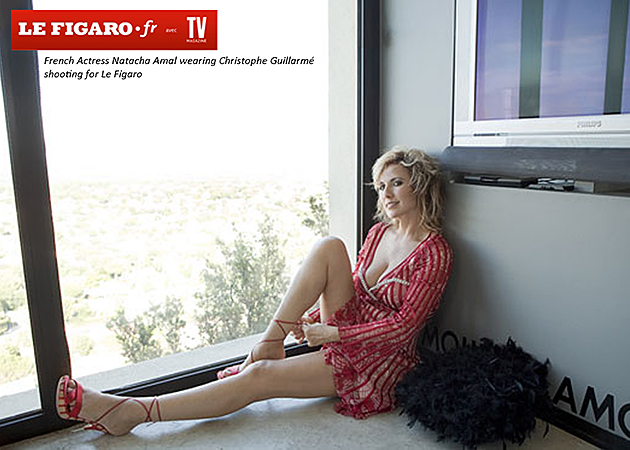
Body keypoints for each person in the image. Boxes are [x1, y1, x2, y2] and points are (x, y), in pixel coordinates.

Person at [56, 146, 453, 436]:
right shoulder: (380, 232)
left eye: (396, 183)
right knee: (329, 246)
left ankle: (133, 412)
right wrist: (314, 318)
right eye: (381, 186)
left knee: (260, 377)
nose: (386, 194)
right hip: (349, 330)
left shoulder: (435, 253)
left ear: (419, 186)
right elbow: (355, 290)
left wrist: (332, 333)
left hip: (379, 361)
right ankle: (270, 340)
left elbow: (403, 329)